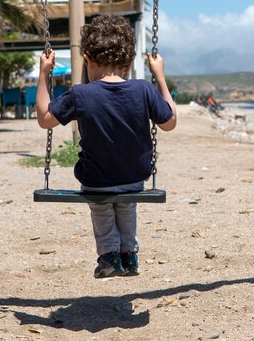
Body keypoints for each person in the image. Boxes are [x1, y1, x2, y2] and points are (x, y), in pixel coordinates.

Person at [35, 15, 177, 278]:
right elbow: (169, 122)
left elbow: (45, 119)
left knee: (101, 206)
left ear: (87, 59)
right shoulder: (144, 89)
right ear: (129, 62)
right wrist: (159, 76)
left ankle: (109, 255)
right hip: (134, 178)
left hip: (96, 180)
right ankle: (129, 255)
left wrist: (44, 74)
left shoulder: (80, 94)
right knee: (126, 205)